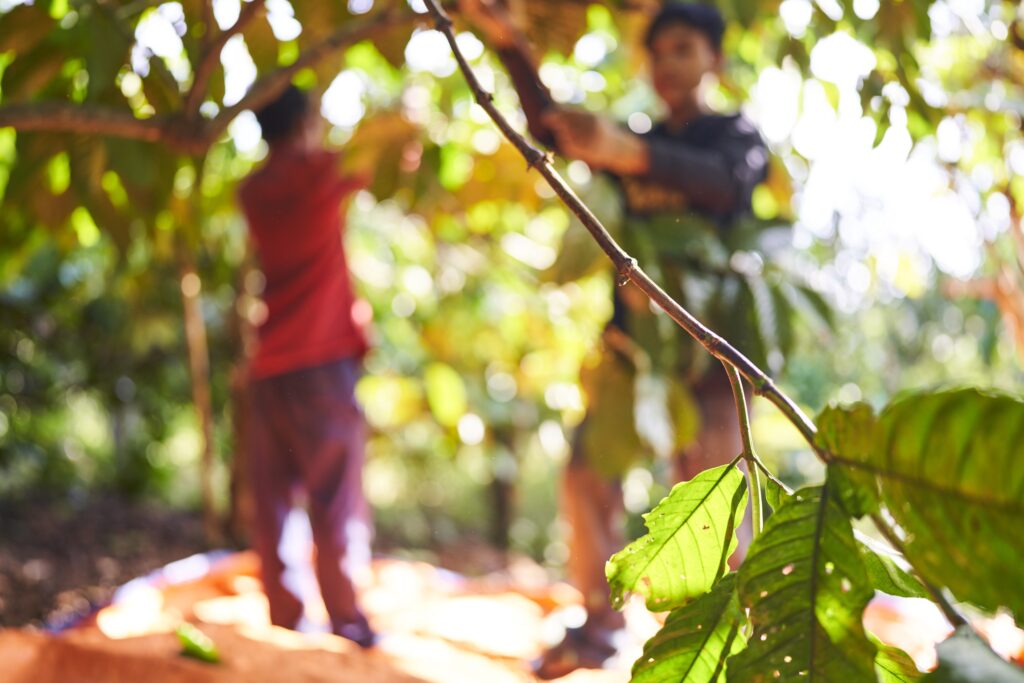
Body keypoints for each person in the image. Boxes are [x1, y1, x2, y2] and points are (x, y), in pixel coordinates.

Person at [460, 1, 770, 676]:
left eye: (682, 50)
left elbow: (723, 185)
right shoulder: (631, 139)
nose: (666, 65)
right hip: (633, 354)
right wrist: (508, 44)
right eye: (657, 53)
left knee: (716, 509)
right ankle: (598, 628)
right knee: (584, 477)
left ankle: (725, 650)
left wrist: (625, 151)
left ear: (714, 59)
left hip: (712, 363)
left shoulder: (733, 137)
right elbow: (557, 130)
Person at [237, 85, 375, 647]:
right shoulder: (321, 172)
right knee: (335, 495)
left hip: (270, 364)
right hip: (322, 364)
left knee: (272, 498)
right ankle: (345, 620)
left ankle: (286, 618)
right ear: (306, 123)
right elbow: (392, 143)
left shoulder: (251, 190)